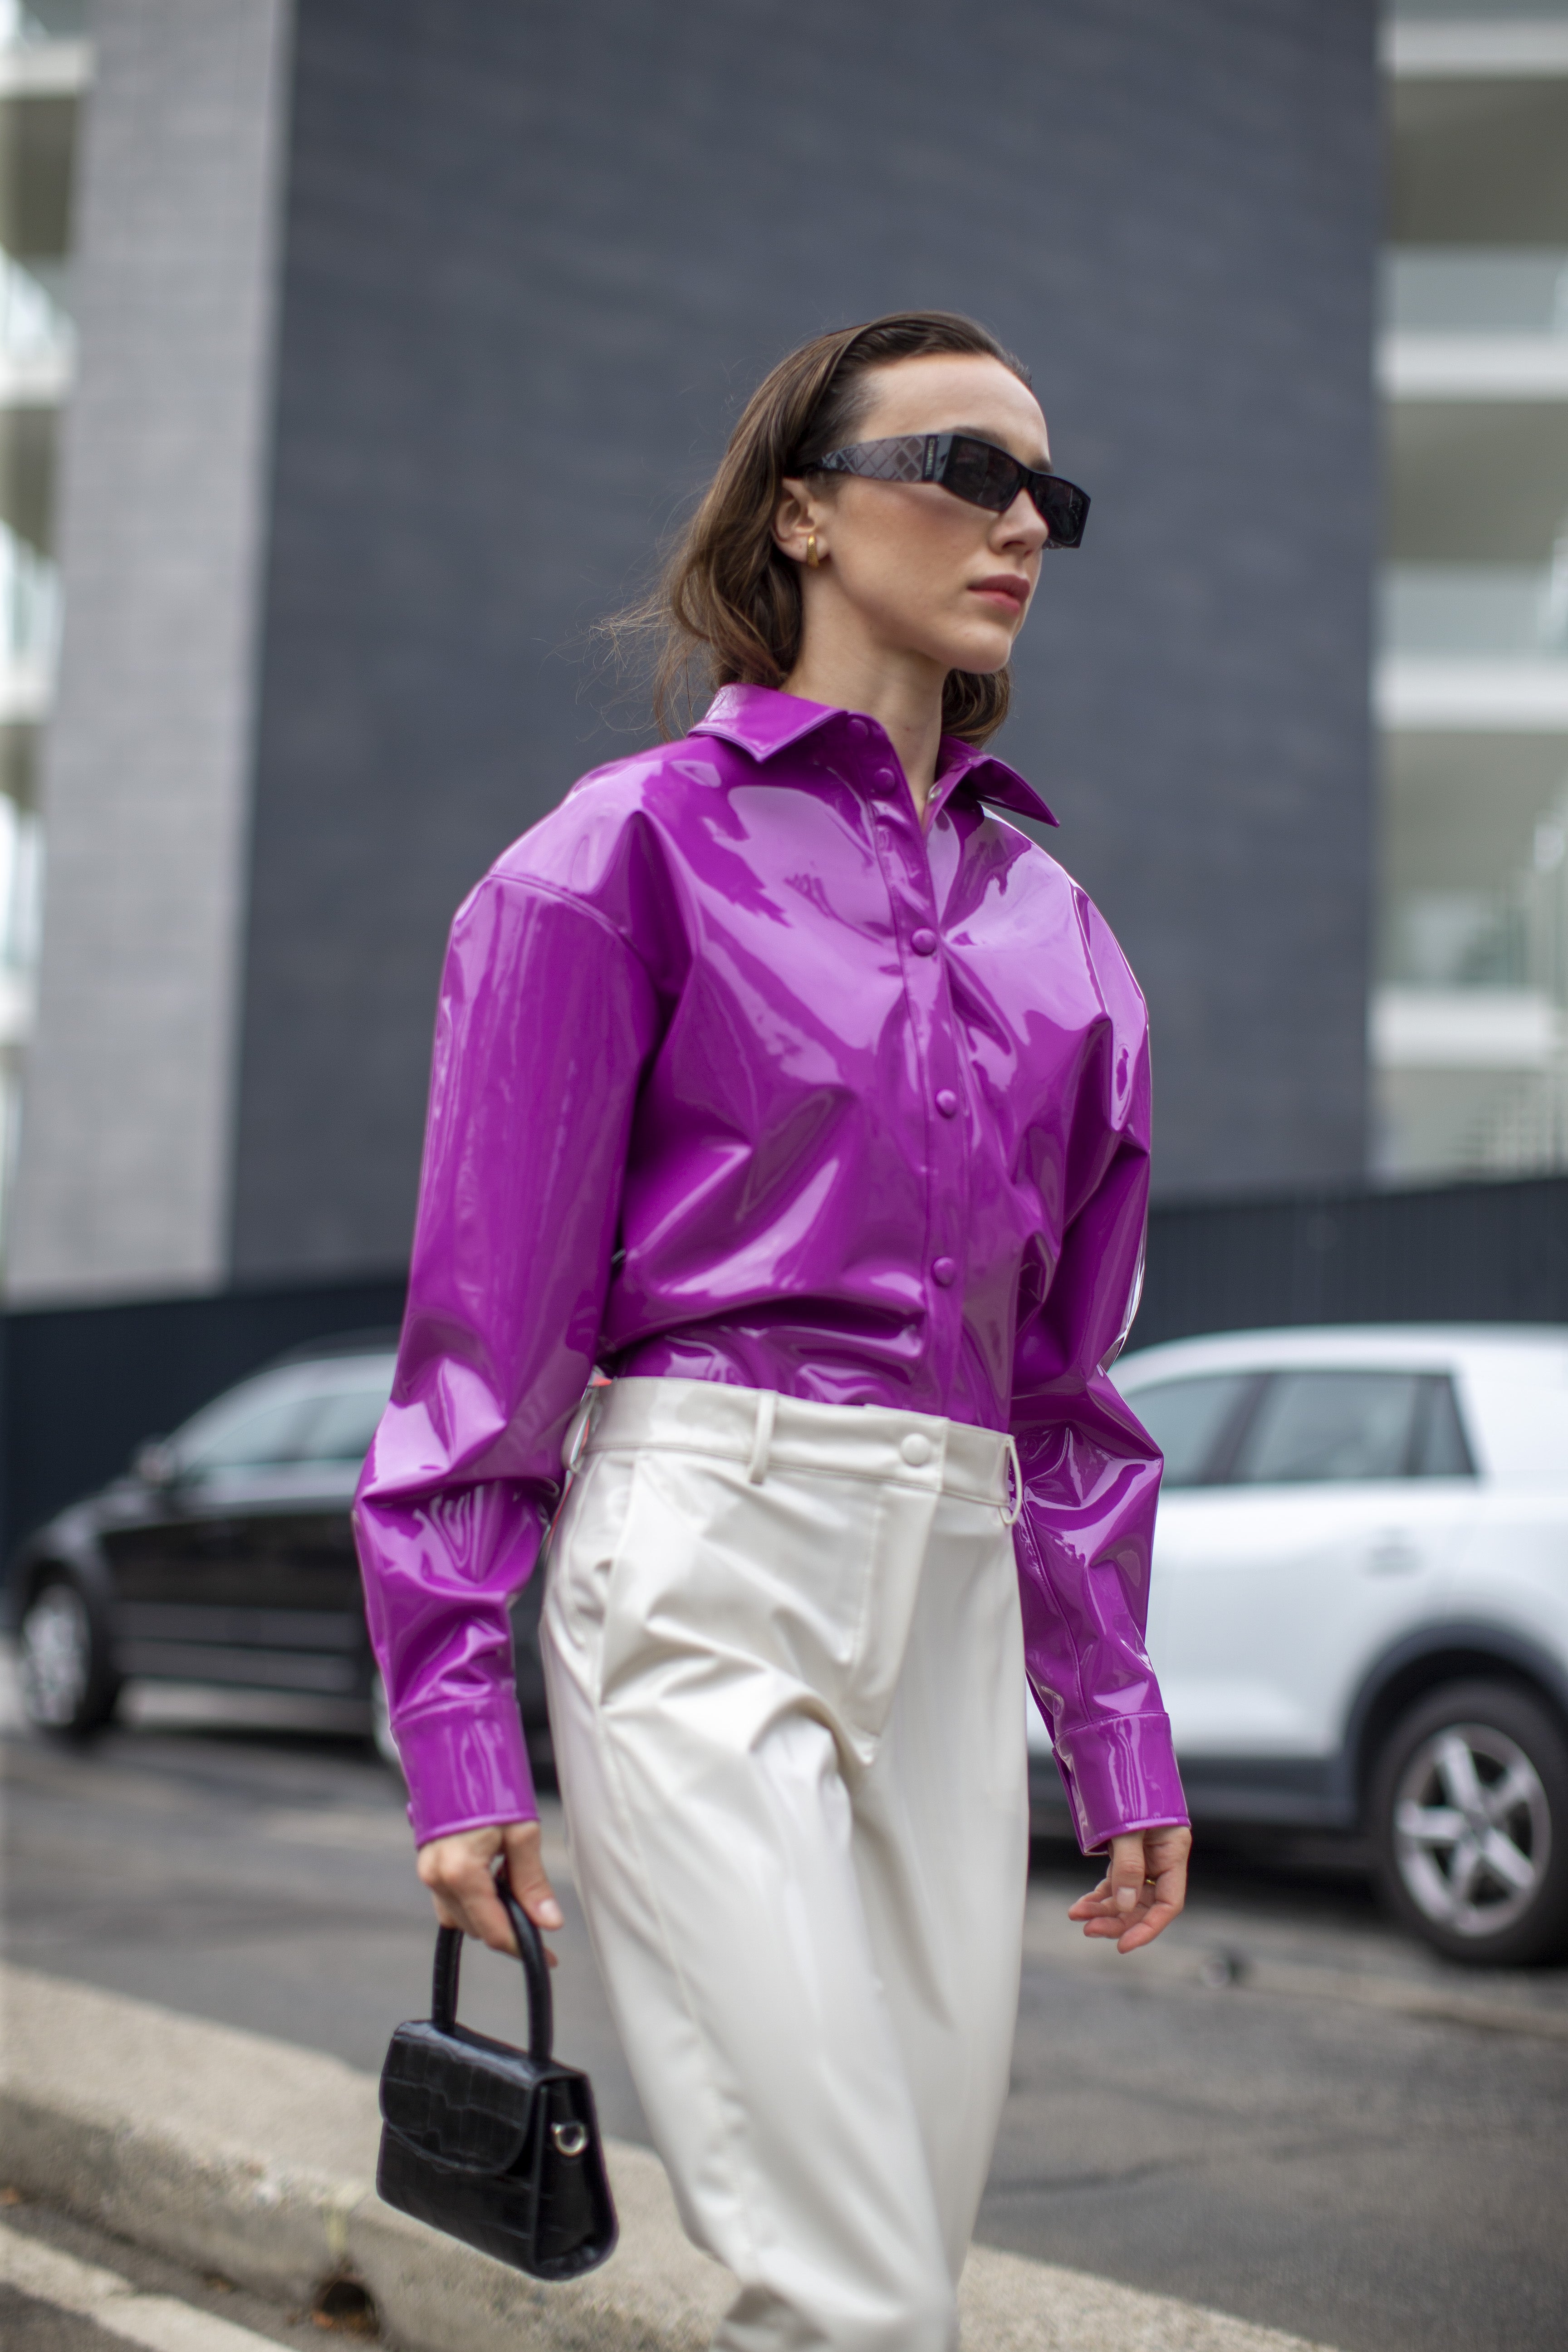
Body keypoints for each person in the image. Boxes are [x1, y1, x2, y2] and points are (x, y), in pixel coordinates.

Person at [353, 309, 1191, 2352]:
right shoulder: (619, 856)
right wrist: (457, 1719)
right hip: (702, 1557)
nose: (1020, 525)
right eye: (965, 470)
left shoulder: (1058, 938)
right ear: (803, 508)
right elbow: (487, 1339)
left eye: (1049, 498)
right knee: (848, 2274)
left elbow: (1068, 1386)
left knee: (902, 2239)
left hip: (957, 1581)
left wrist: (1115, 1715)